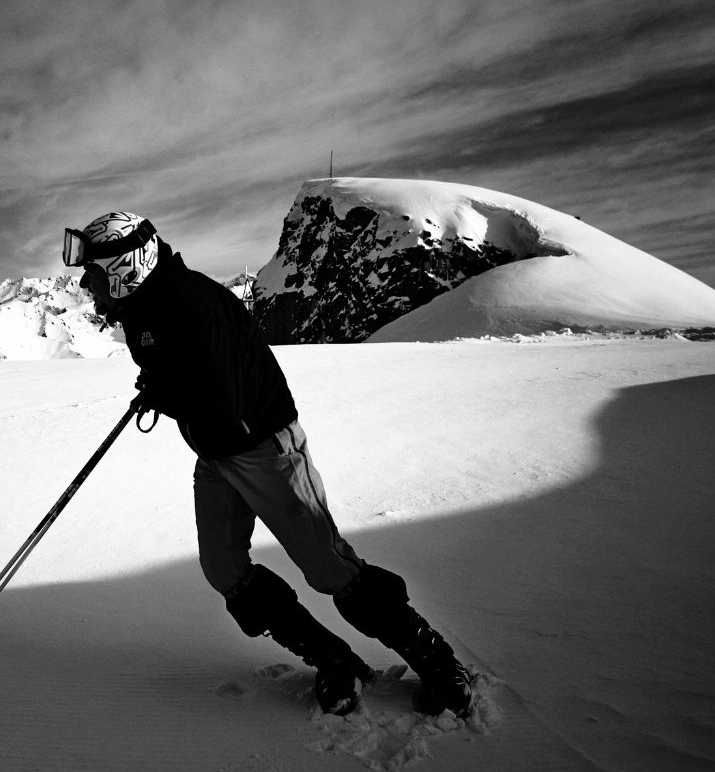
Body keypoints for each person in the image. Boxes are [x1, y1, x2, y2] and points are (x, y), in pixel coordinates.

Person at [62, 211, 473, 718]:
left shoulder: (191, 304)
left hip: (264, 449)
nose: (86, 285)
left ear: (126, 266)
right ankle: (333, 659)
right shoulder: (145, 305)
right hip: (217, 454)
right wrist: (161, 384)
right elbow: (182, 376)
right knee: (224, 568)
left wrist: (165, 391)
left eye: (94, 274)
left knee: (329, 568)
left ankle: (439, 663)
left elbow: (221, 402)